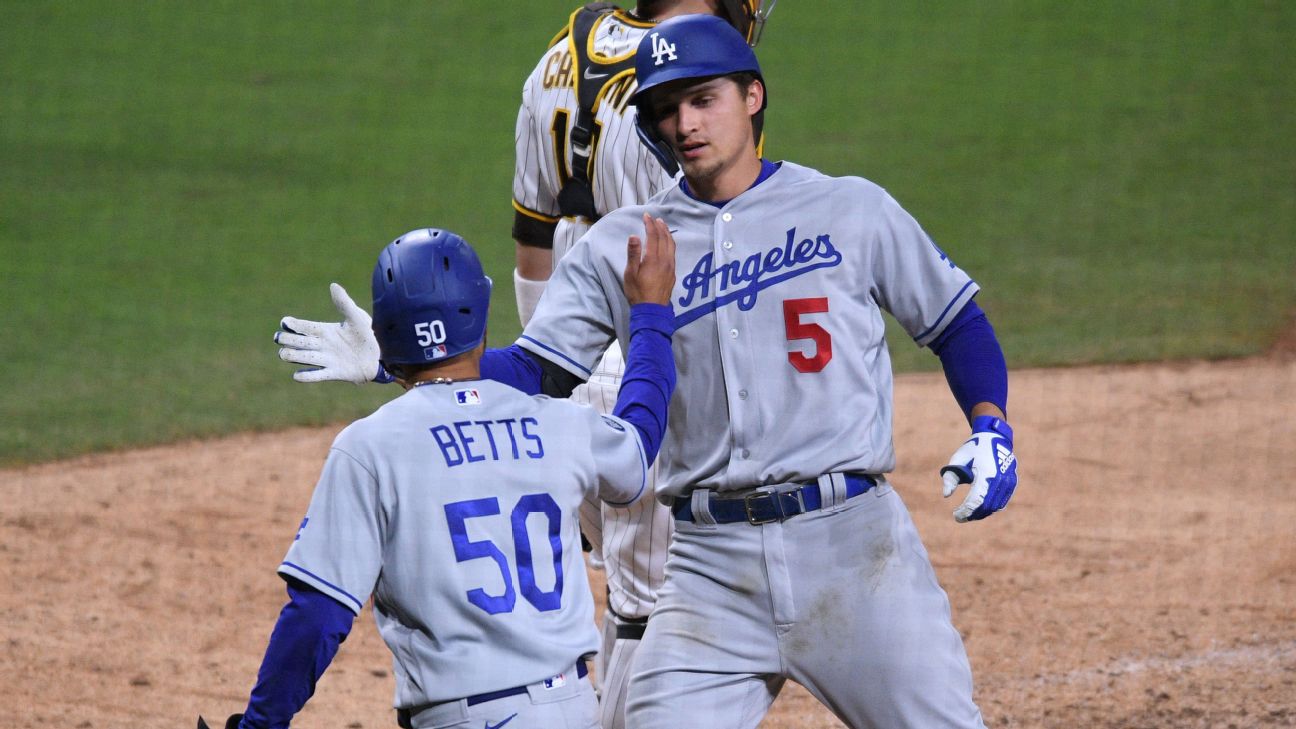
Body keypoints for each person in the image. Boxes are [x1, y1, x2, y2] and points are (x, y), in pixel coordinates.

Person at [275, 11, 1018, 729]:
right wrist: (406, 361)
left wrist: (990, 424)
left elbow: (955, 321)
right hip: (708, 571)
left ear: (752, 97)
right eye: (666, 109)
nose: (686, 124)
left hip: (853, 551)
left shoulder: (850, 209)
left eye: (703, 100)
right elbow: (538, 370)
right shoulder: (623, 246)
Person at [276, 3, 777, 727]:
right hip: (654, 358)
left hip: (559, 371)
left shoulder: (561, 55)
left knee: (637, 594)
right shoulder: (702, 79)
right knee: (658, 606)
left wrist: (523, 377)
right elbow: (725, 240)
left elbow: (532, 240)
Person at [206, 224, 678, 729]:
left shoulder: (370, 447)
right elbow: (639, 437)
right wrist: (650, 313)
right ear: (483, 309)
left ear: (383, 332)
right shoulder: (559, 423)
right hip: (574, 708)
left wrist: (259, 724)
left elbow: (318, 614)